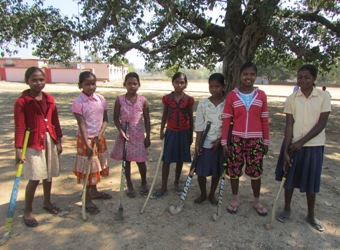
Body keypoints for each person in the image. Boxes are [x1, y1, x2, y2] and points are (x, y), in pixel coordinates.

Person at [276, 64, 331, 232]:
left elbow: (321, 124)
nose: (302, 80)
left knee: (311, 182)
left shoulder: (323, 96)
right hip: (293, 145)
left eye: (307, 77)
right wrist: (286, 150)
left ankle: (311, 215)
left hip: (313, 146)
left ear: (314, 78)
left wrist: (302, 142)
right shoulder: (292, 99)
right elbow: (289, 126)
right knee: (289, 179)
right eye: (299, 77)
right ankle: (286, 209)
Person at [14, 66, 63, 227]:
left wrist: (59, 141)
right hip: (33, 142)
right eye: (34, 80)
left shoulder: (49, 100)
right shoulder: (22, 102)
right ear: (27, 81)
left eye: (41, 79)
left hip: (49, 139)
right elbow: (20, 126)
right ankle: (27, 210)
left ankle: (47, 202)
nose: (38, 83)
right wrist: (18, 149)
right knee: (35, 177)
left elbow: (55, 121)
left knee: (48, 175)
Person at [221, 62, 269, 216]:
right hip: (236, 139)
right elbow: (227, 120)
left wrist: (265, 141)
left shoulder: (261, 95)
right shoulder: (232, 95)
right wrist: (224, 141)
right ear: (240, 76)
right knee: (234, 170)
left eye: (252, 74)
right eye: (245, 74)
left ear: (255, 76)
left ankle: (257, 201)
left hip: (256, 141)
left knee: (255, 172)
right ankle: (235, 200)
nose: (249, 77)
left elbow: (264, 120)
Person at [71, 71, 111, 216]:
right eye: (87, 84)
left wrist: (100, 134)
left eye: (93, 84)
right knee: (88, 168)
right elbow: (81, 125)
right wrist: (87, 145)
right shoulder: (78, 103)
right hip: (85, 140)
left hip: (99, 138)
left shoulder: (100, 99)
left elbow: (105, 120)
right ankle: (87, 198)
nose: (90, 87)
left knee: (97, 166)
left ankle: (94, 192)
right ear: (80, 85)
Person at [151, 72, 194, 199]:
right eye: (177, 82)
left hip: (184, 132)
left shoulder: (189, 100)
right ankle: (163, 187)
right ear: (173, 83)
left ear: (185, 84)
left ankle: (176, 183)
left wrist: (191, 135)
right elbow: (164, 114)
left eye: (182, 82)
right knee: (167, 159)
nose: (179, 85)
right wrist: (161, 130)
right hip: (171, 131)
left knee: (180, 159)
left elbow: (191, 118)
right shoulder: (167, 98)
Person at [110, 72, 150, 198]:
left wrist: (148, 136)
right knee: (126, 162)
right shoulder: (120, 99)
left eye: (135, 83)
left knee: (141, 162)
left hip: (138, 136)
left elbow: (147, 119)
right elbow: (115, 118)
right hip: (125, 135)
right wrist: (121, 131)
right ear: (124, 85)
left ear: (139, 85)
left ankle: (144, 183)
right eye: (129, 84)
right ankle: (130, 185)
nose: (132, 86)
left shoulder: (143, 100)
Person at [194, 73, 225, 205]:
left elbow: (230, 125)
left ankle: (212, 194)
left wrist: (220, 141)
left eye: (217, 86)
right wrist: (197, 143)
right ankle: (203, 193)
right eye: (211, 86)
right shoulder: (203, 103)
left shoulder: (228, 104)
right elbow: (200, 124)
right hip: (205, 142)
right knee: (200, 171)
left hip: (220, 144)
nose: (214, 89)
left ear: (223, 87)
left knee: (216, 171)